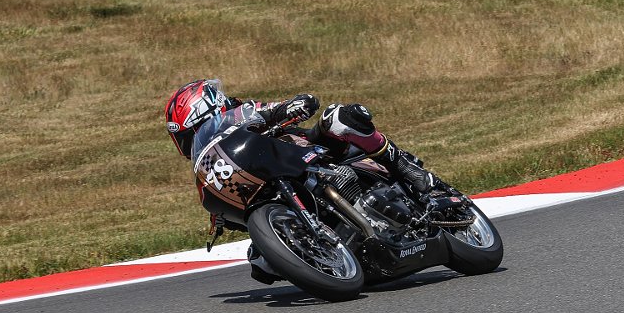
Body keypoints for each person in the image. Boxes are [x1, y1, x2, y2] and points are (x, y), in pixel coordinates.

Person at [164, 79, 441, 284]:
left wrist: (293, 106)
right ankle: (334, 251)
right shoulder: (212, 163)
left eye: (189, 133)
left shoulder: (241, 113)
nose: (188, 142)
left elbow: (274, 109)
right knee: (261, 263)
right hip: (280, 190)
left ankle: (403, 166)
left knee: (339, 118)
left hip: (309, 151)